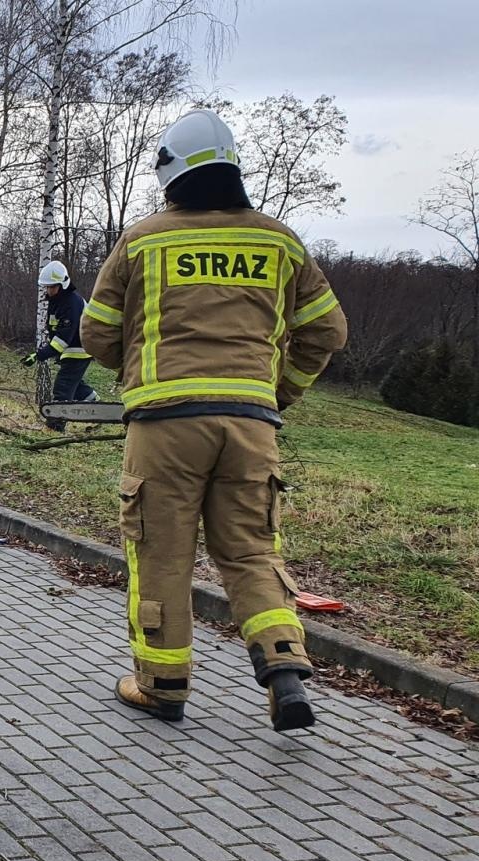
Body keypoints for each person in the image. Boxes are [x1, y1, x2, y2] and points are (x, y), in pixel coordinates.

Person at [80, 108, 347, 732]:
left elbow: (96, 331)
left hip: (164, 427)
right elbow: (328, 331)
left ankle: (162, 686)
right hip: (251, 425)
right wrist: (280, 392)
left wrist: (138, 368)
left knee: (162, 556)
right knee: (252, 551)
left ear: (169, 174)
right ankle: (283, 665)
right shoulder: (278, 241)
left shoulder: (144, 240)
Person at [22, 260, 99, 431]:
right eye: (47, 287)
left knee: (63, 386)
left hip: (79, 349)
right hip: (72, 349)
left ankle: (56, 425)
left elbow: (63, 338)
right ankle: (94, 405)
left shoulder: (71, 303)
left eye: (52, 287)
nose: (49, 290)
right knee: (75, 385)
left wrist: (39, 355)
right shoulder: (58, 302)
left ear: (62, 284)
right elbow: (56, 332)